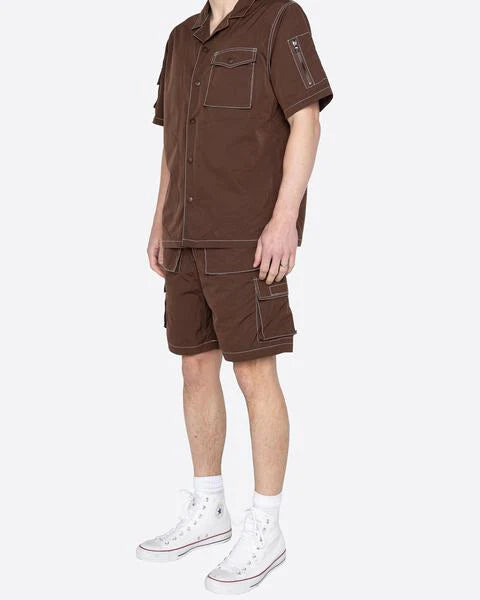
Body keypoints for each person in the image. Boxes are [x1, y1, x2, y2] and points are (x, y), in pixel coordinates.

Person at [137, 0, 332, 593]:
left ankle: (266, 524)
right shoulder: (181, 37)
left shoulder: (280, 18)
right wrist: (159, 219)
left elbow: (306, 121)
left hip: (247, 238)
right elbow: (174, 139)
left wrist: (285, 219)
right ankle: (209, 506)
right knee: (195, 369)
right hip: (186, 235)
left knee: (254, 375)